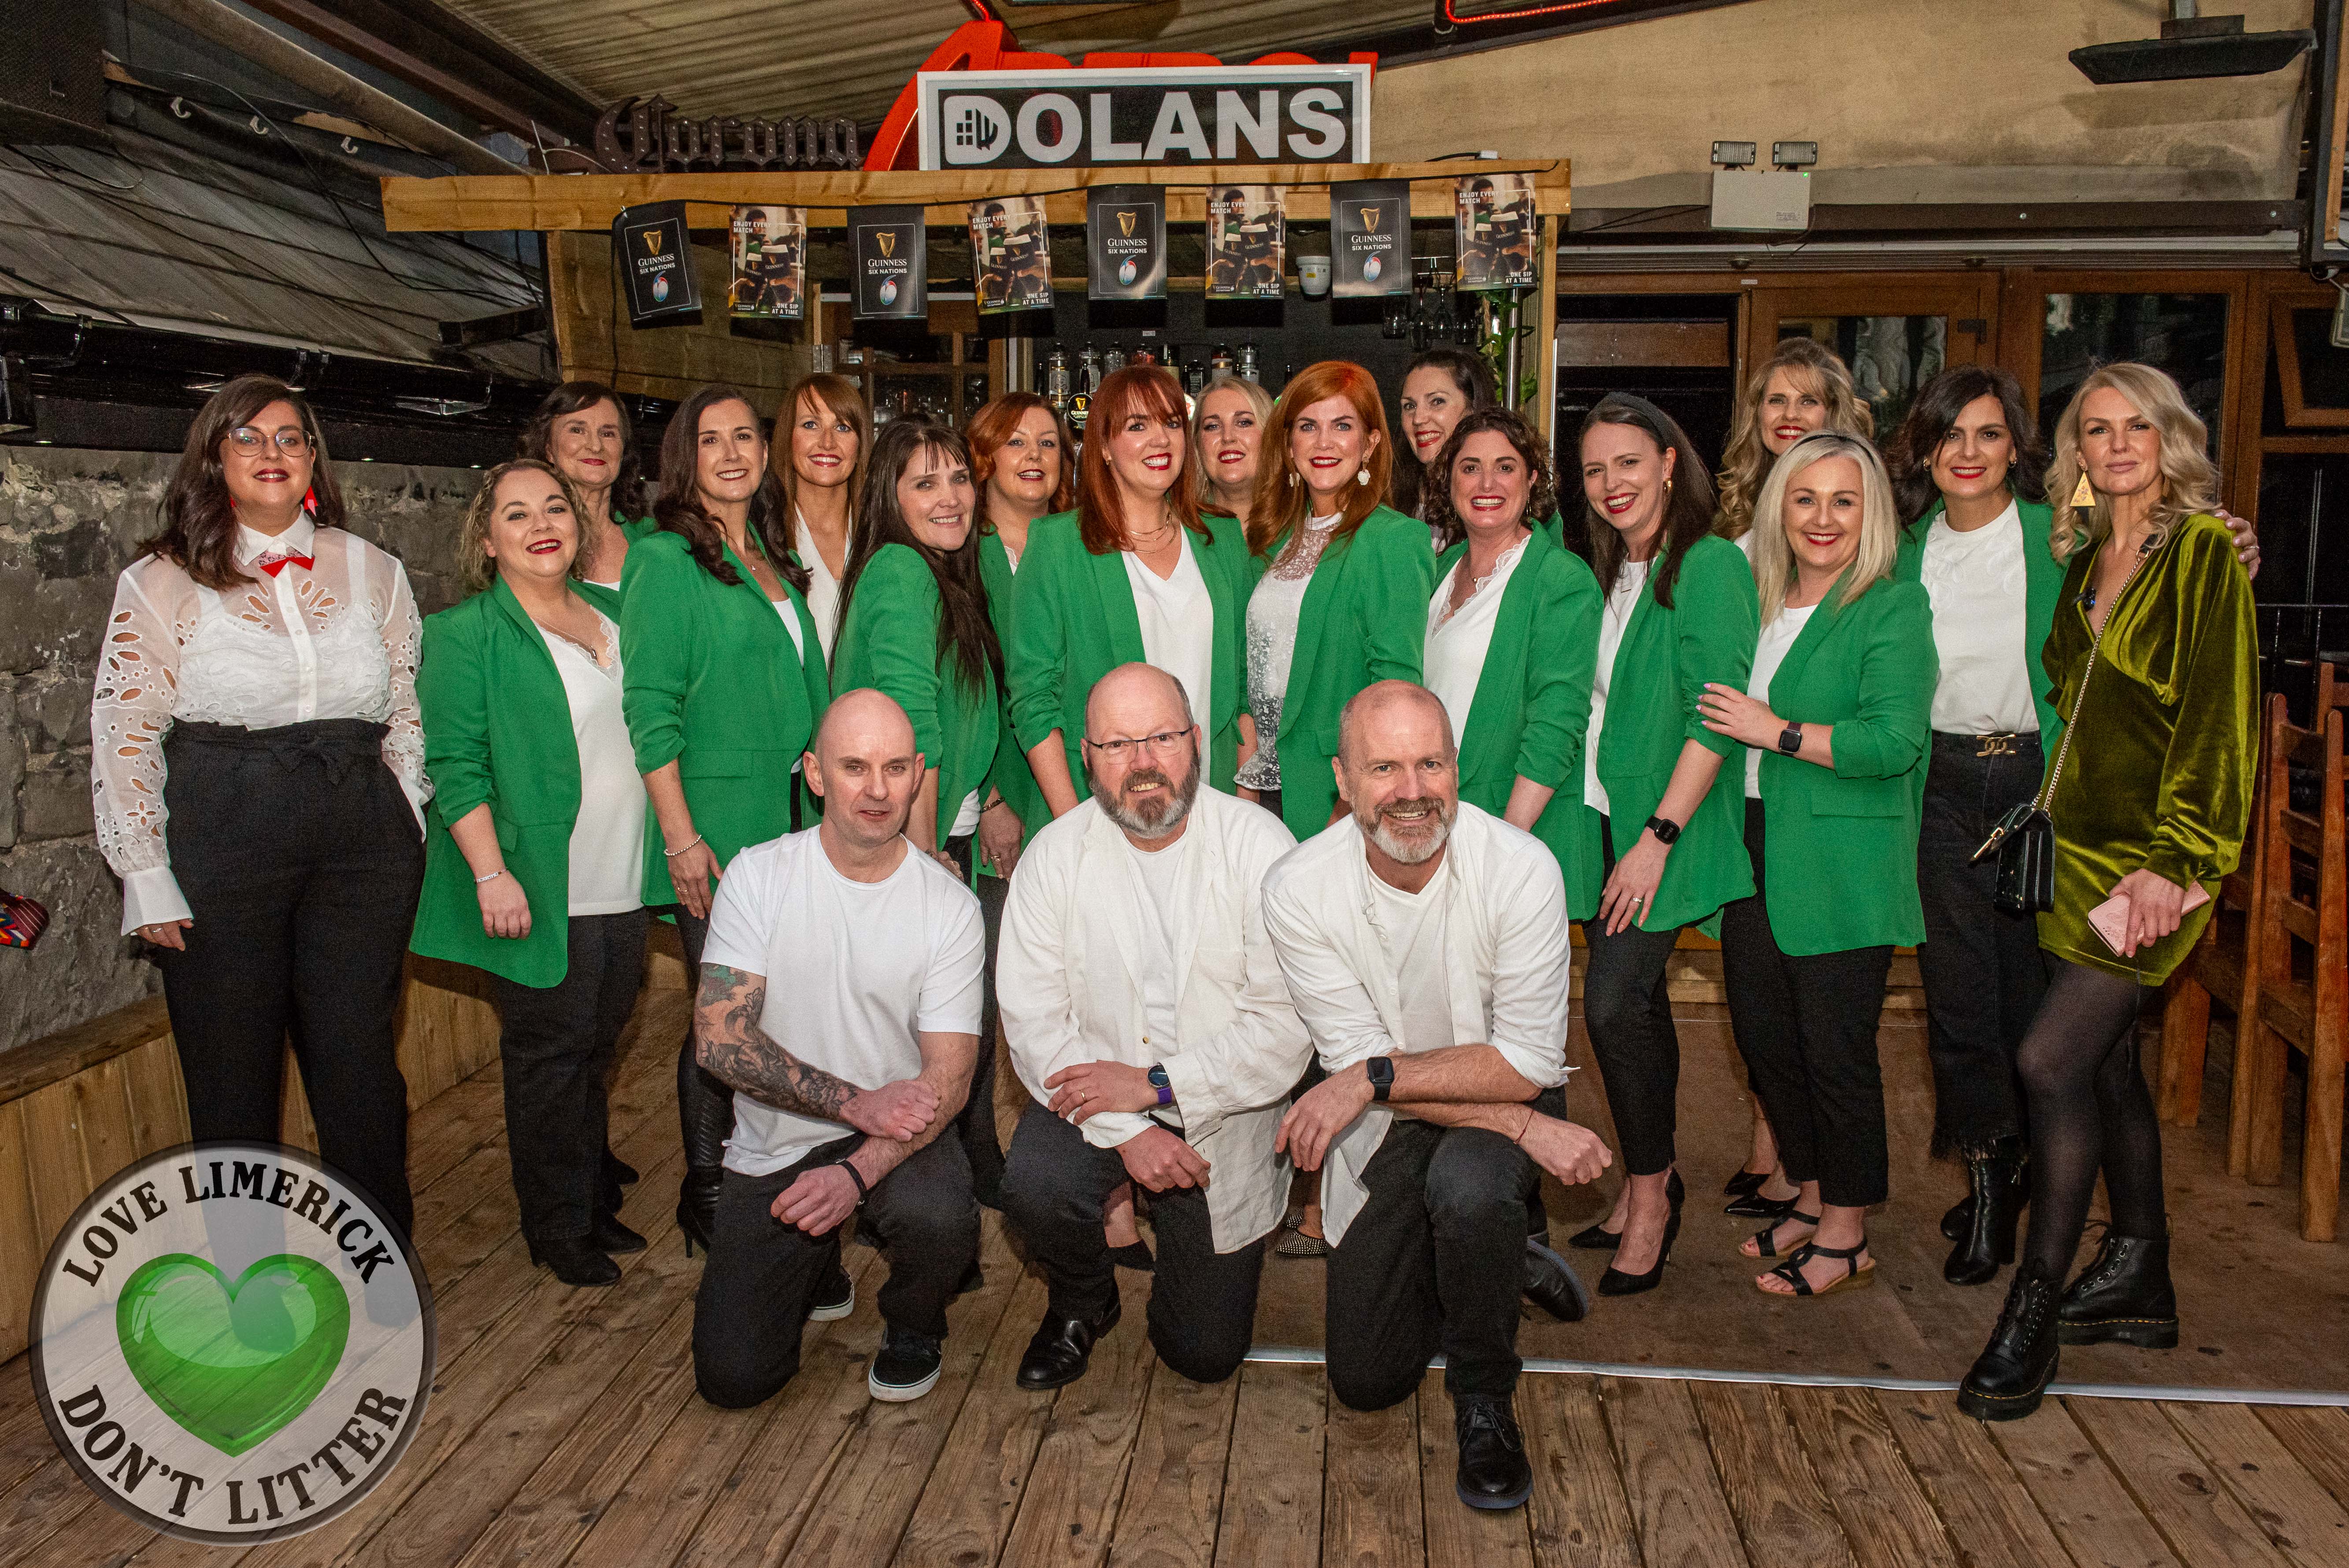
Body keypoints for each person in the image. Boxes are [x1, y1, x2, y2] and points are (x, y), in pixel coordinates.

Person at [1885, 366, 2267, 1288]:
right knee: (1971, 1014)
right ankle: (2010, 1193)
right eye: (1949, 435)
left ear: (2017, 448)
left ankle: (2057, 1251)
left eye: (1988, 433)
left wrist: (2226, 536)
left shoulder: (2065, 537)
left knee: (2048, 1030)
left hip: (2061, 803)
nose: (1968, 452)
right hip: (1958, 793)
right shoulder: (1920, 548)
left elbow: (2202, 696)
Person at [90, 373, 426, 1235]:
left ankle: (382, 1258)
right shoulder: (160, 578)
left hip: (361, 845)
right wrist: (145, 871)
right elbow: (124, 725)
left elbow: (404, 709)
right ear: (214, 458)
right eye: (248, 436)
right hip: (223, 834)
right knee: (231, 1074)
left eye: (289, 437)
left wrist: (407, 816)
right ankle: (246, 1273)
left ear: (313, 457)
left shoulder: (374, 569)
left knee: (359, 1065)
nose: (271, 451)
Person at [1266, 681, 1610, 1513]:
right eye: (1384, 767)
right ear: (1343, 780)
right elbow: (1355, 1063)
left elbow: (1524, 1062)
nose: (1412, 790)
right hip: (1389, 1123)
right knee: (1365, 1380)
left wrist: (1379, 1077)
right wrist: (1525, 1127)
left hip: (1453, 1104)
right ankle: (1494, 1257)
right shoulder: (1298, 886)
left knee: (1469, 1187)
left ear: (1458, 767)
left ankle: (1485, 1394)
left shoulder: (1522, 869)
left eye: (1430, 763)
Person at [997, 664, 1312, 1388]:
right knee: (1036, 1182)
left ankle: (1182, 1244)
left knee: (1201, 1354)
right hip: (1094, 1099)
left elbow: (1285, 1029)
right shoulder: (1053, 857)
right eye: (1118, 744)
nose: (1142, 762)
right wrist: (1130, 1132)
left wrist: (1157, 1086)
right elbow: (1034, 1023)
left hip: (1223, 1111)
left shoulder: (1262, 847)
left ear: (1196, 740)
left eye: (1162, 738)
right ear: (1087, 756)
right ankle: (1083, 1298)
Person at [688, 689, 985, 1408]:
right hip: (779, 1140)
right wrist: (855, 1102)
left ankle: (915, 1322)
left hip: (898, 1136)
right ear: (816, 774)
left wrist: (856, 1169)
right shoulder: (757, 876)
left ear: (918, 775)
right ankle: (815, 1262)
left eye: (894, 768)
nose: (877, 789)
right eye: (854, 767)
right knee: (733, 1379)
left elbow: (950, 1078)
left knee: (943, 1215)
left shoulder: (950, 906)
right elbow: (719, 1043)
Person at [1700, 432, 1935, 1297]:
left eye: (1843, 500)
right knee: (1765, 1036)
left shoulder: (1891, 605)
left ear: (1870, 513)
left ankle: (1845, 1230)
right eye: (1804, 498)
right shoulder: (1755, 595)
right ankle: (1807, 1191)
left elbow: (1894, 741)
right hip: (1752, 839)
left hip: (1843, 856)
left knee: (1834, 1047)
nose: (1823, 517)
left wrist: (1778, 732)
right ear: (1778, 508)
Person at [411, 460, 648, 1286]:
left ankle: (590, 1199)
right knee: (549, 1056)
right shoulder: (464, 633)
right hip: (539, 878)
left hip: (625, 870)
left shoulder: (615, 614)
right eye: (516, 514)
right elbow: (455, 764)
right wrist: (491, 874)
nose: (541, 524)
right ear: (487, 539)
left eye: (554, 507)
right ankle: (557, 1226)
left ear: (579, 525)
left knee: (597, 1043)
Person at [622, 385, 830, 1257]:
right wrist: (681, 836)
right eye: (712, 440)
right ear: (685, 458)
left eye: (746, 436)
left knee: (783, 1010)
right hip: (714, 821)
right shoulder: (665, 558)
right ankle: (705, 1187)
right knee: (726, 1016)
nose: (733, 453)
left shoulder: (771, 555)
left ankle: (772, 1167)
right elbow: (649, 708)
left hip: (789, 817)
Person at [1562, 395, 1757, 1294]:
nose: (1612, 484)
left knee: (1610, 1004)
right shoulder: (1613, 568)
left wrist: (1657, 837)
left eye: (1628, 463)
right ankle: (1655, 1173)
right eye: (1595, 469)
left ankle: (1649, 1194)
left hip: (1663, 825)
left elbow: (1714, 714)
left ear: (1670, 462)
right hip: (1607, 819)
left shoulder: (1707, 564)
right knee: (1633, 1005)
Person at [1421, 406, 1604, 1314]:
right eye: (1468, 467)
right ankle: (1483, 1228)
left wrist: (1504, 847)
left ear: (1534, 480)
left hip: (1515, 837)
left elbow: (1557, 716)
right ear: (1447, 483)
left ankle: (1524, 1239)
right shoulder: (1442, 573)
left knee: (1519, 1036)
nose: (1485, 482)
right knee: (1460, 1029)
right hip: (1441, 838)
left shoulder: (1559, 578)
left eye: (1504, 465)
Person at [834, 419, 1009, 1203]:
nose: (950, 497)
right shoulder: (903, 569)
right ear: (890, 496)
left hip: (940, 831)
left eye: (959, 478)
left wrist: (982, 804)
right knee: (924, 1036)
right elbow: (914, 730)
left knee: (944, 1027)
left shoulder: (940, 575)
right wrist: (923, 856)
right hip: (908, 837)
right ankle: (917, 1200)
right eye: (925, 482)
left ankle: (958, 1172)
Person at [1008, 367, 1260, 822]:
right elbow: (1033, 701)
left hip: (1211, 806)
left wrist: (1245, 812)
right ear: (1104, 446)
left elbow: (1244, 691)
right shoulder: (1057, 545)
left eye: (1171, 423)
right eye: (1137, 426)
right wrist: (1076, 827)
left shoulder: (1221, 539)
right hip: (1097, 810)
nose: (1160, 440)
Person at [1240, 360, 1438, 840]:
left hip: (1335, 793)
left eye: (1342, 426)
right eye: (1308, 426)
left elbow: (1395, 689)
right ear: (1289, 445)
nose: (1323, 442)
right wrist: (1245, 783)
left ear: (1370, 443)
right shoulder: (1272, 539)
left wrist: (1347, 805)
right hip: (1259, 786)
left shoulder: (1393, 539)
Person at [1713, 337, 1874, 547]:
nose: (1790, 414)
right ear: (1758, 412)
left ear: (1832, 412)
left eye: (1808, 401)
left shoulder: (1862, 498)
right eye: (1777, 401)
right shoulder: (1742, 497)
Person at [517, 380, 654, 605]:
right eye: (577, 430)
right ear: (549, 450)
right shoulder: (525, 539)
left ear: (623, 451)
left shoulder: (655, 537)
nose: (595, 446)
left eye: (608, 434)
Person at [771, 371, 870, 660]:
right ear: (788, 438)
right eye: (811, 425)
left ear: (860, 444)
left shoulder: (883, 534)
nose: (828, 443)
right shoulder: (762, 538)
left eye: (843, 427)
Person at [1391, 346, 1498, 525]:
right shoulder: (1391, 498)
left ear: (1473, 408)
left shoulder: (1495, 495)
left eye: (1437, 401)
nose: (1418, 419)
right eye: (1410, 406)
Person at [1194, 372, 1273, 525]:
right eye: (1213, 426)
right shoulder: (1176, 525)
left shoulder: (1308, 519)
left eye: (1243, 423)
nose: (1228, 437)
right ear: (1197, 443)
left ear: (1270, 433)